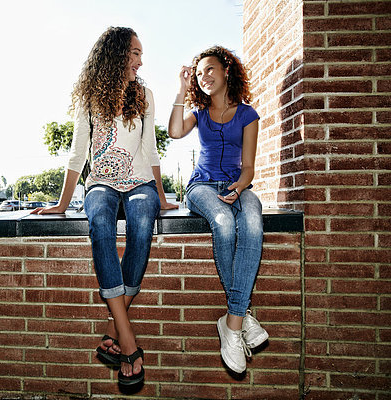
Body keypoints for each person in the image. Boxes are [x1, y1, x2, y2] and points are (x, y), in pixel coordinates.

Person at [32, 26, 177, 386]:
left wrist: (159, 195)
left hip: (140, 180)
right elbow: (78, 151)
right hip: (100, 182)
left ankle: (115, 328)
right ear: (116, 54)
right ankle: (125, 336)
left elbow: (150, 149)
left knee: (144, 223)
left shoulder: (145, 93)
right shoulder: (89, 96)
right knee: (99, 222)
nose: (141, 61)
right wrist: (62, 202)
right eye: (136, 53)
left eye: (141, 54)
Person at [168, 46, 269, 374]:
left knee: (253, 220)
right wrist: (182, 90)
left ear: (227, 70)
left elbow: (249, 167)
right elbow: (173, 131)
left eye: (209, 70)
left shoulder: (247, 115)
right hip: (201, 187)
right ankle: (242, 318)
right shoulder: (198, 113)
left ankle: (232, 323)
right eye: (199, 74)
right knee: (224, 222)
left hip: (237, 186)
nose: (204, 77)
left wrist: (239, 187)